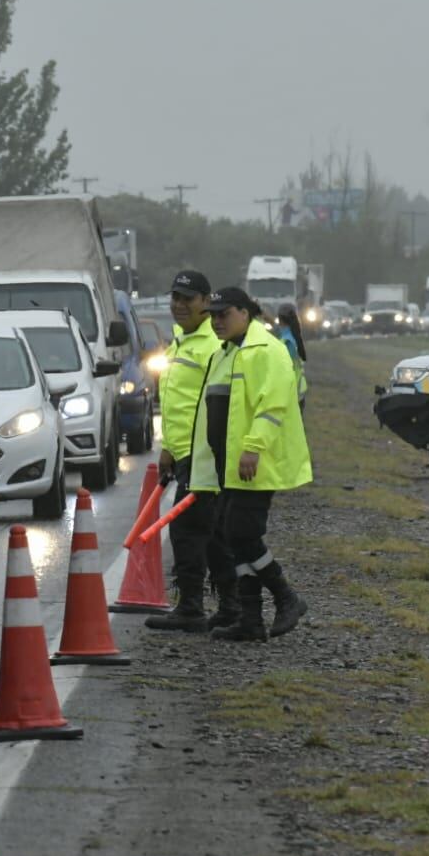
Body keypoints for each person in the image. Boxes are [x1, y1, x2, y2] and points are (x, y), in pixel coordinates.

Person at [188, 287, 313, 642]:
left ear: (245, 313)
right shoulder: (227, 352)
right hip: (229, 463)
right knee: (232, 534)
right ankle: (251, 618)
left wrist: (253, 448)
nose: (216, 322)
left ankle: (286, 596)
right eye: (212, 316)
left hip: (254, 462)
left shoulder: (267, 350)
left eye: (223, 314)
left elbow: (271, 406)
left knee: (242, 533)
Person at [147, 270, 233, 633]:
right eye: (175, 298)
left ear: (206, 300)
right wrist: (168, 448)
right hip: (183, 454)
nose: (179, 305)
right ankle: (217, 606)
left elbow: (217, 409)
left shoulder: (212, 345)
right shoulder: (181, 341)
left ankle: (201, 606)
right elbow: (177, 403)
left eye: (188, 299)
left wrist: (206, 456)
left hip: (204, 458)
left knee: (194, 532)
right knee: (205, 533)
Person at [274, 304, 310, 411]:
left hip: (291, 393)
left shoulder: (287, 341)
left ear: (280, 320)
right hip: (297, 391)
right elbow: (278, 330)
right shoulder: (293, 335)